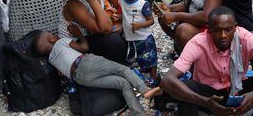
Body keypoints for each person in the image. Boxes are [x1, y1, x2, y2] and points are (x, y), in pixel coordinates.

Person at [160, 6, 253, 115]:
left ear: (235, 28)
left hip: (238, 87)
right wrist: (205, 102)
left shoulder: (245, 37)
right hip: (209, 94)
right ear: (209, 30)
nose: (223, 35)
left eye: (228, 30)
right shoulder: (198, 43)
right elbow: (167, 81)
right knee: (185, 88)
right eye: (217, 30)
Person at [33, 27, 161, 116]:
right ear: (51, 39)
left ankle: (139, 113)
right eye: (51, 34)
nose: (54, 35)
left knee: (122, 83)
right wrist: (78, 34)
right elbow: (84, 47)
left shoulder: (51, 60)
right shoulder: (60, 42)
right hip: (86, 63)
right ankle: (145, 90)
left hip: (80, 78)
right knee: (123, 69)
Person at [118, 0, 158, 81]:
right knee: (139, 57)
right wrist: (117, 17)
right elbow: (122, 13)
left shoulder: (143, 4)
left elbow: (151, 20)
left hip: (145, 38)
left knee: (151, 58)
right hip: (131, 38)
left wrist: (140, 25)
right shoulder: (121, 0)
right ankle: (144, 74)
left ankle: (154, 78)